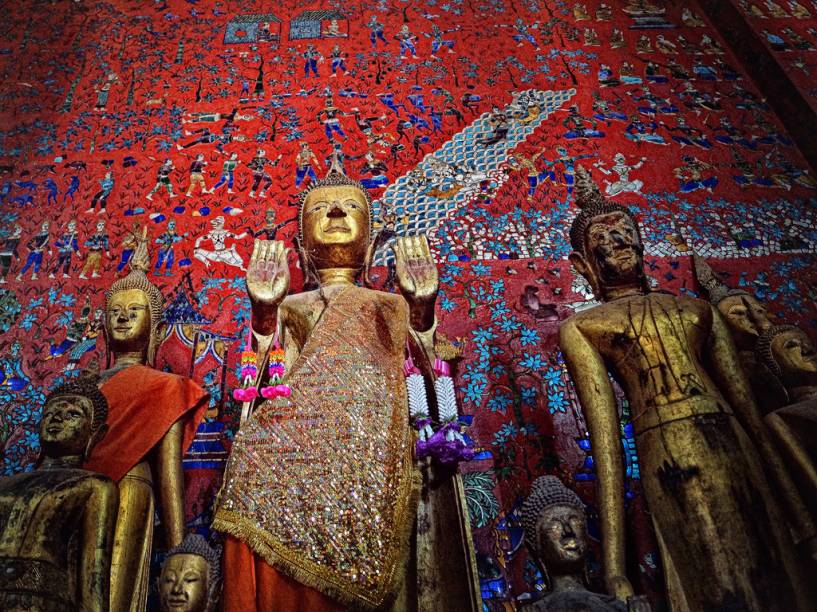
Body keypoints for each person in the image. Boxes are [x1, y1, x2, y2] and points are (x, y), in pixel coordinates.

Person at [213, 158, 474, 611]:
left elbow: (426, 374)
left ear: (371, 244)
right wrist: (263, 315)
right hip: (300, 445)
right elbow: (266, 384)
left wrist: (421, 310)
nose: (335, 214)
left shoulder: (389, 303)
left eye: (349, 206)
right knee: (249, 462)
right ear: (300, 244)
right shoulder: (292, 305)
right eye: (322, 209)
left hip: (378, 440)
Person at [559, 167, 815, 611]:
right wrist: (615, 569)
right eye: (602, 236)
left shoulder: (698, 311)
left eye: (624, 229)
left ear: (643, 240)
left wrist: (802, 515)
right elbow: (607, 447)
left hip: (731, 436)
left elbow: (751, 414)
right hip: (667, 453)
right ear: (583, 263)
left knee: (779, 570)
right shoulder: (583, 326)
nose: (617, 240)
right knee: (710, 571)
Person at [85, 239, 208, 612]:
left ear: (152, 325)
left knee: (111, 594)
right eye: (115, 311)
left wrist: (178, 552)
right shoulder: (83, 387)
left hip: (128, 494)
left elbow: (168, 472)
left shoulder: (166, 387)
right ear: (103, 324)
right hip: (76, 493)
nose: (122, 317)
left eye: (134, 310)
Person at [0, 375, 118, 612]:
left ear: (95, 435)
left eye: (73, 414)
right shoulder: (5, 483)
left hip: (42, 601)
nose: (57, 417)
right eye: (49, 412)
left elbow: (93, 578)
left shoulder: (93, 486)